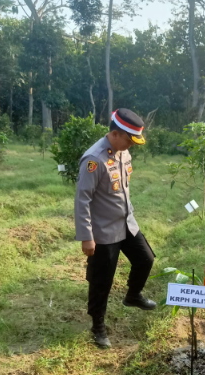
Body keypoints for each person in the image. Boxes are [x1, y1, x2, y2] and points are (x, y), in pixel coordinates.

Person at [75, 108, 156, 349]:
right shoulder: (94, 159)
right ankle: (97, 325)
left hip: (126, 224)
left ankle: (133, 295)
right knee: (102, 281)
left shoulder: (123, 153)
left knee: (146, 259)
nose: (131, 146)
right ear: (115, 133)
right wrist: (86, 237)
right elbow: (83, 200)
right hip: (103, 231)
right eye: (129, 140)